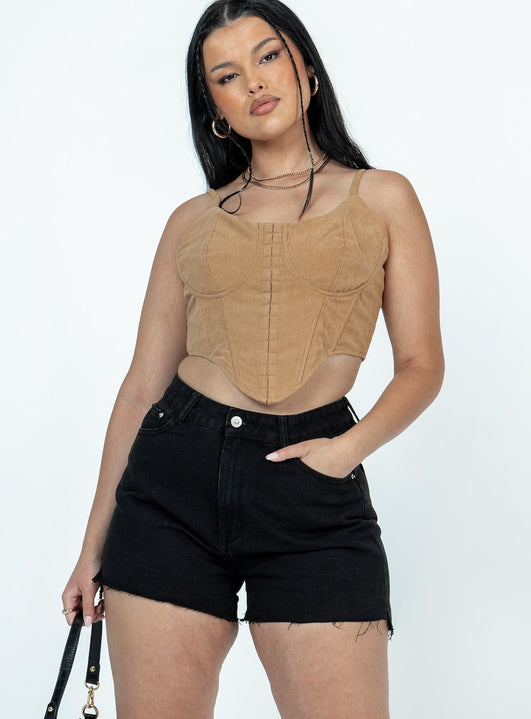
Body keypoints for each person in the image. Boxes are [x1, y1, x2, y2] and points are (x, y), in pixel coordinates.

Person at [61, 1, 444, 716]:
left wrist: (343, 452)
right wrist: (92, 548)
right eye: (227, 75)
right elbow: (142, 386)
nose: (255, 82)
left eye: (268, 56)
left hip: (312, 490)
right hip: (171, 486)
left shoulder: (383, 197)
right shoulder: (192, 220)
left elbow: (422, 364)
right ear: (214, 108)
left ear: (306, 68)